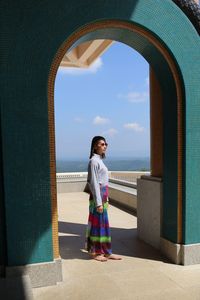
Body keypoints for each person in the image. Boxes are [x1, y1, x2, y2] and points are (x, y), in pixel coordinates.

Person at [85, 136, 122, 262]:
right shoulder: (93, 161)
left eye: (106, 144)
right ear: (95, 146)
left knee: (104, 226)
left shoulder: (99, 160)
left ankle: (107, 251)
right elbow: (93, 183)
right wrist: (98, 203)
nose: (105, 146)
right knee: (97, 226)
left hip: (103, 196)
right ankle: (96, 252)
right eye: (101, 144)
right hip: (98, 197)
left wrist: (106, 199)